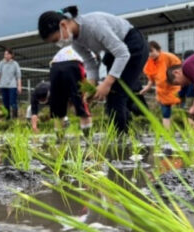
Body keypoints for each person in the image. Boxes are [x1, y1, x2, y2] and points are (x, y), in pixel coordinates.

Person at [38, 5, 148, 135]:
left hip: (133, 46)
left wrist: (107, 83)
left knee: (115, 95)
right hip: (114, 52)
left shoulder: (94, 26)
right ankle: (127, 133)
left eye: (56, 39)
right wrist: (90, 88)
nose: (58, 44)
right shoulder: (75, 40)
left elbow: (122, 53)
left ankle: (121, 139)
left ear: (63, 25)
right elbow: (90, 63)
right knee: (114, 96)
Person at [140, 41, 181, 129]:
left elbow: (180, 70)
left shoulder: (169, 57)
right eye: (148, 52)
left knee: (183, 109)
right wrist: (146, 89)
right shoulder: (149, 63)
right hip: (162, 91)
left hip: (175, 88)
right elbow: (151, 80)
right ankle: (167, 132)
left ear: (158, 50)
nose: (150, 54)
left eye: (152, 51)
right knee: (165, 113)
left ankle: (189, 129)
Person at [0, 49, 22, 119]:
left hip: (12, 86)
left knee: (13, 102)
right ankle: (7, 117)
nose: (6, 55)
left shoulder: (15, 64)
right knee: (6, 103)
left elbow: (18, 76)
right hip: (3, 85)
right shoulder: (1, 63)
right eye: (5, 54)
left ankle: (15, 118)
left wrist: (19, 86)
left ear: (11, 55)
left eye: (8, 54)